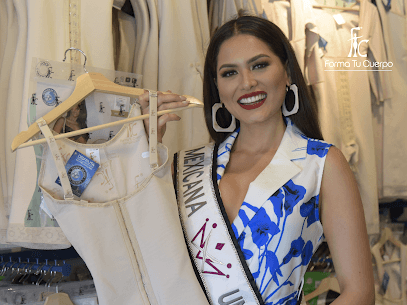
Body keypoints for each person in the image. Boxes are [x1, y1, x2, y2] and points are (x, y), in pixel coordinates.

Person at [138, 14, 374, 305]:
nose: (247, 83)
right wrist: (145, 147)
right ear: (218, 88)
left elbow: (359, 293)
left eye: (259, 65)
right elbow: (147, 257)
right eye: (229, 73)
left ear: (286, 72)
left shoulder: (321, 164)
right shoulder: (186, 167)